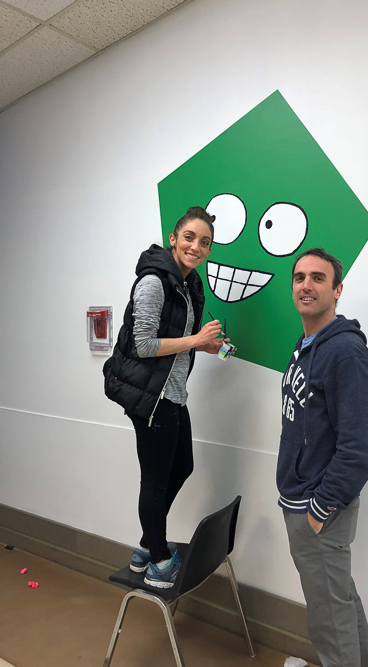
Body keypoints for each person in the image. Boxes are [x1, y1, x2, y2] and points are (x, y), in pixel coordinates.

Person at [104, 206, 225, 589]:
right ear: (174, 238)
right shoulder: (155, 282)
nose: (196, 246)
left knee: (181, 467)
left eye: (204, 242)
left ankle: (147, 543)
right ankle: (157, 560)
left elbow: (172, 342)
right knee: (155, 481)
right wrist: (195, 340)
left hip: (171, 393)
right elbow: (143, 345)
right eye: (189, 237)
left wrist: (204, 348)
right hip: (151, 398)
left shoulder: (188, 284)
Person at [277, 248, 368, 667]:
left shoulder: (345, 353)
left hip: (318, 509)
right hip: (303, 499)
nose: (306, 285)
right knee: (339, 602)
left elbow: (358, 450)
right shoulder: (307, 345)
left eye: (318, 278)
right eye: (300, 277)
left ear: (337, 290)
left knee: (328, 617)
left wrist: (318, 508)